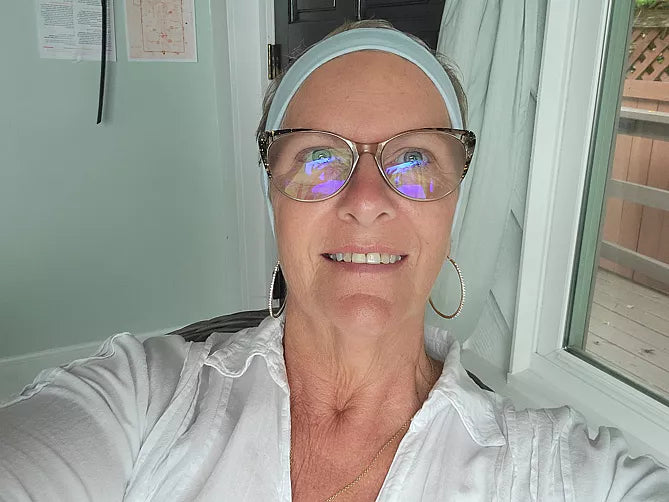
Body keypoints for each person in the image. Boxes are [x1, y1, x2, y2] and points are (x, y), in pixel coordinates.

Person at [1, 20, 668, 502]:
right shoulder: (142, 398)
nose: (367, 200)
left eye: (414, 159)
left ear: (453, 202)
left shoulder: (555, 471)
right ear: (272, 194)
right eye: (318, 157)